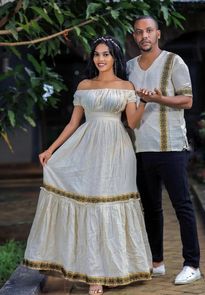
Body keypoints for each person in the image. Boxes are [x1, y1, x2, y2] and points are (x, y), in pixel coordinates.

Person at [23, 35, 152, 295]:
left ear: (115, 57)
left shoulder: (126, 85)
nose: (100, 59)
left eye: (106, 54)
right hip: (88, 147)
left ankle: (116, 269)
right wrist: (50, 149)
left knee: (111, 203)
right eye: (97, 54)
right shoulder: (84, 85)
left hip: (117, 150)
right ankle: (95, 275)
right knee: (92, 203)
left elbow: (133, 123)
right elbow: (73, 124)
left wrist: (145, 101)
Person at [127, 16, 201, 285]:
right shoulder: (128, 68)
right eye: (138, 32)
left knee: (182, 206)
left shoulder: (173, 61)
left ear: (157, 34)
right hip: (142, 148)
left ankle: (192, 264)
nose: (144, 36)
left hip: (171, 146)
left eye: (149, 31)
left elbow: (188, 100)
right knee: (151, 208)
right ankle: (156, 262)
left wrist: (157, 98)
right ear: (134, 37)